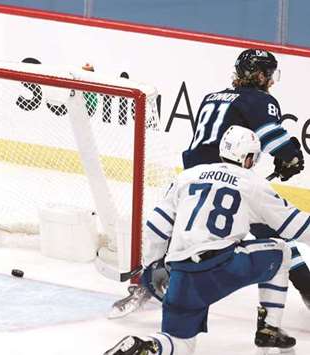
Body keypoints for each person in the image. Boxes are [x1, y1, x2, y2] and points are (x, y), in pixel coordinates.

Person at [108, 48, 308, 318]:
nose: (271, 80)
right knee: (276, 240)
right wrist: (291, 157)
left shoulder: (211, 97)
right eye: (269, 74)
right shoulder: (259, 99)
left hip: (190, 176)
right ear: (259, 75)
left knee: (166, 230)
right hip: (227, 182)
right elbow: (273, 137)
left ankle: (144, 286)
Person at [104, 125, 309, 355]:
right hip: (222, 267)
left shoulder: (187, 176)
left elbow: (156, 226)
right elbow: (297, 225)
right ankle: (269, 329)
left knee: (179, 345)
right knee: (282, 252)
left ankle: (145, 346)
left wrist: (153, 265)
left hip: (181, 273)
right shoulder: (252, 184)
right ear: (249, 158)